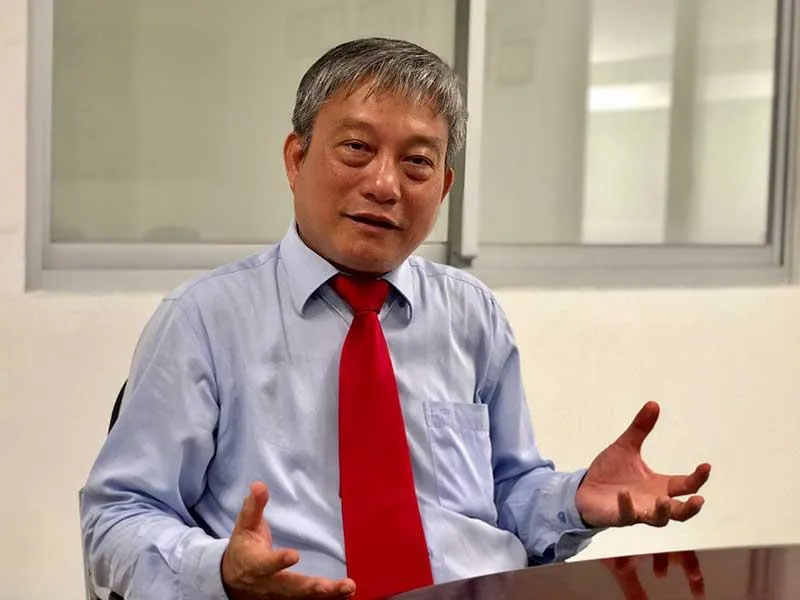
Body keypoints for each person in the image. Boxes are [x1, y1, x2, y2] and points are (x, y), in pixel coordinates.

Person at [80, 37, 711, 600]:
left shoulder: (471, 314)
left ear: (444, 188)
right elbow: (117, 518)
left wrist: (576, 500)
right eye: (356, 148)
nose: (385, 185)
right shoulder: (204, 321)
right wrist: (220, 571)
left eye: (417, 162)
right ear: (296, 159)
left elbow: (507, 495)